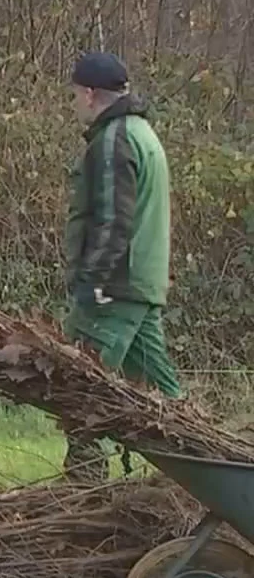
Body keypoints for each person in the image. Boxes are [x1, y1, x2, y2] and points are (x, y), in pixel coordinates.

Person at [62, 51, 178, 482]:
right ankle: (203, 478)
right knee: (166, 397)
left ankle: (83, 492)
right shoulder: (143, 132)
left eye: (75, 94)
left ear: (91, 94)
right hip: (140, 286)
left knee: (81, 390)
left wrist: (92, 281)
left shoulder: (114, 140)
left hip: (114, 289)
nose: (74, 102)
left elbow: (114, 220)